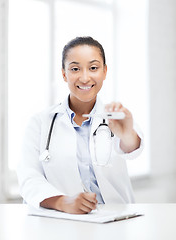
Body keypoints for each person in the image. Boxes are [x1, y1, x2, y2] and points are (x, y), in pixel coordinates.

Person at [17, 36, 143, 214]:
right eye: (75, 69)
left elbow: (132, 149)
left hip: (117, 219)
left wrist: (127, 133)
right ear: (64, 74)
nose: (85, 78)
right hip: (63, 221)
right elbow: (28, 178)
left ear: (105, 71)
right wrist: (62, 202)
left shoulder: (116, 116)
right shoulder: (40, 123)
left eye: (93, 68)